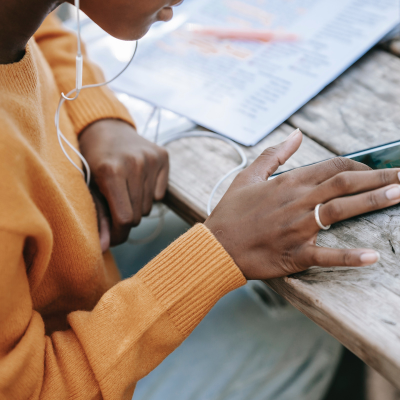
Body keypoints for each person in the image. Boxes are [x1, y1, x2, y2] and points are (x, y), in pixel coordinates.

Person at [1, 0, 400, 399]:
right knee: (300, 330)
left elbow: (45, 28)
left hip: (73, 273)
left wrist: (96, 116)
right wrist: (216, 253)